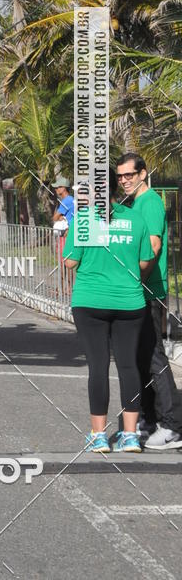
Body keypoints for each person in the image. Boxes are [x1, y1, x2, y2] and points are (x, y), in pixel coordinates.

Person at [64, 168, 154, 453]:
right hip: (130, 302)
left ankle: (99, 435)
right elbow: (144, 262)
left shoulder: (83, 220)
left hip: (90, 302)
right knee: (128, 366)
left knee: (98, 367)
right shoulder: (136, 219)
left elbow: (69, 261)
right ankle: (130, 436)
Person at [116, 152, 182, 450]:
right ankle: (152, 418)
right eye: (120, 177)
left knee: (154, 357)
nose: (124, 181)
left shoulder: (151, 202)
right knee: (140, 357)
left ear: (143, 174)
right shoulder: (131, 204)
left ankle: (171, 426)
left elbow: (153, 247)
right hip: (135, 292)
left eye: (129, 175)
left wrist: (132, 277)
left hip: (149, 290)